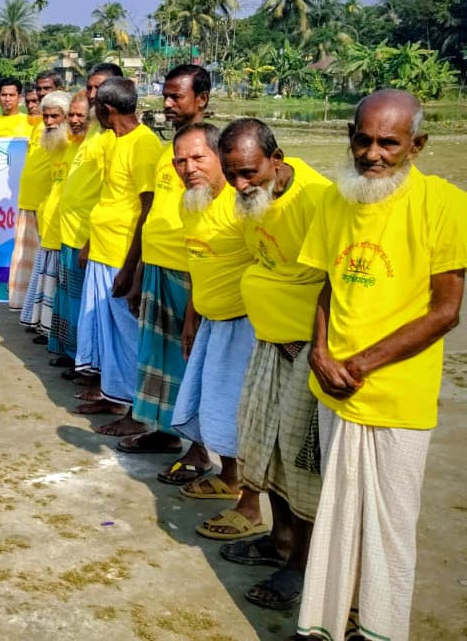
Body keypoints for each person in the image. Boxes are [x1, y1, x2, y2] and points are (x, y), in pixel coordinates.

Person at [294, 90, 465, 641]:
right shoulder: (335, 198)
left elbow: (446, 312)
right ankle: (324, 623)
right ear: (349, 135)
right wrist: (320, 352)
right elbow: (326, 283)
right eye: (363, 140)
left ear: (417, 145)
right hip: (335, 386)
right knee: (337, 513)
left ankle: (381, 630)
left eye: (388, 143)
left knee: (389, 526)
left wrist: (361, 363)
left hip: (396, 395)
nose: (373, 154)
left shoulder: (444, 204)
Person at [215, 118, 330, 611]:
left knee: (303, 467)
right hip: (269, 343)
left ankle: (302, 567)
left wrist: (318, 346)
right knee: (267, 452)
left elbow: (333, 280)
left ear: (276, 160)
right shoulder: (250, 202)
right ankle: (278, 540)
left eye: (248, 173)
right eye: (232, 174)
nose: (240, 185)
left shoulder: (318, 200)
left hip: (306, 352)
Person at [108, 65, 209, 476]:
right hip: (158, 265)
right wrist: (137, 271)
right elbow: (151, 209)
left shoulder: (211, 148)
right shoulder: (168, 150)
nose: (166, 104)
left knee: (192, 361)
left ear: (201, 98)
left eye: (176, 97)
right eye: (165, 96)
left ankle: (201, 448)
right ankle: (163, 430)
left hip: (191, 271)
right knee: (158, 357)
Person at [167, 123, 260, 538]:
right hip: (211, 322)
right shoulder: (193, 202)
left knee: (246, 415)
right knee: (220, 410)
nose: (189, 168)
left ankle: (253, 507)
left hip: (247, 326)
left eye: (198, 158)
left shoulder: (246, 204)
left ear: (221, 157)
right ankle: (229, 478)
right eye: (180, 160)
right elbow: (196, 264)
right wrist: (191, 317)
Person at [74, 76, 161, 417]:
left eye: (96, 106)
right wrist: (90, 242)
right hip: (103, 248)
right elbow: (108, 197)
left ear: (107, 110)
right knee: (107, 332)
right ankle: (113, 393)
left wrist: (131, 268)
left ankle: (133, 410)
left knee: (127, 335)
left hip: (122, 255)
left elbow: (147, 208)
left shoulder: (143, 145)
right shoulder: (113, 140)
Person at [49, 90, 98, 367]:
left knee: (81, 303)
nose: (75, 120)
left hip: (85, 236)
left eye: (81, 115)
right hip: (66, 233)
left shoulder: (98, 143)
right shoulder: (71, 143)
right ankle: (70, 354)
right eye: (72, 115)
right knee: (67, 299)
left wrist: (90, 240)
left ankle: (83, 360)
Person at [19, 90, 73, 329]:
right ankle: (46, 328)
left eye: (55, 116)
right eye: (46, 117)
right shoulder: (52, 143)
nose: (49, 122)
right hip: (47, 219)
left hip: (67, 227)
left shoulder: (75, 146)